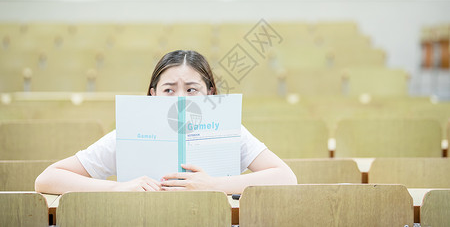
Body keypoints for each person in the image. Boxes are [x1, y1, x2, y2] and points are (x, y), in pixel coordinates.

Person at [35, 50, 297, 194]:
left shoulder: (230, 131)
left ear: (210, 94)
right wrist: (118, 188)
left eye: (192, 90)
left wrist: (215, 186)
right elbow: (47, 179)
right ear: (153, 94)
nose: (180, 99)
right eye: (169, 90)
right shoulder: (129, 133)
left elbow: (286, 178)